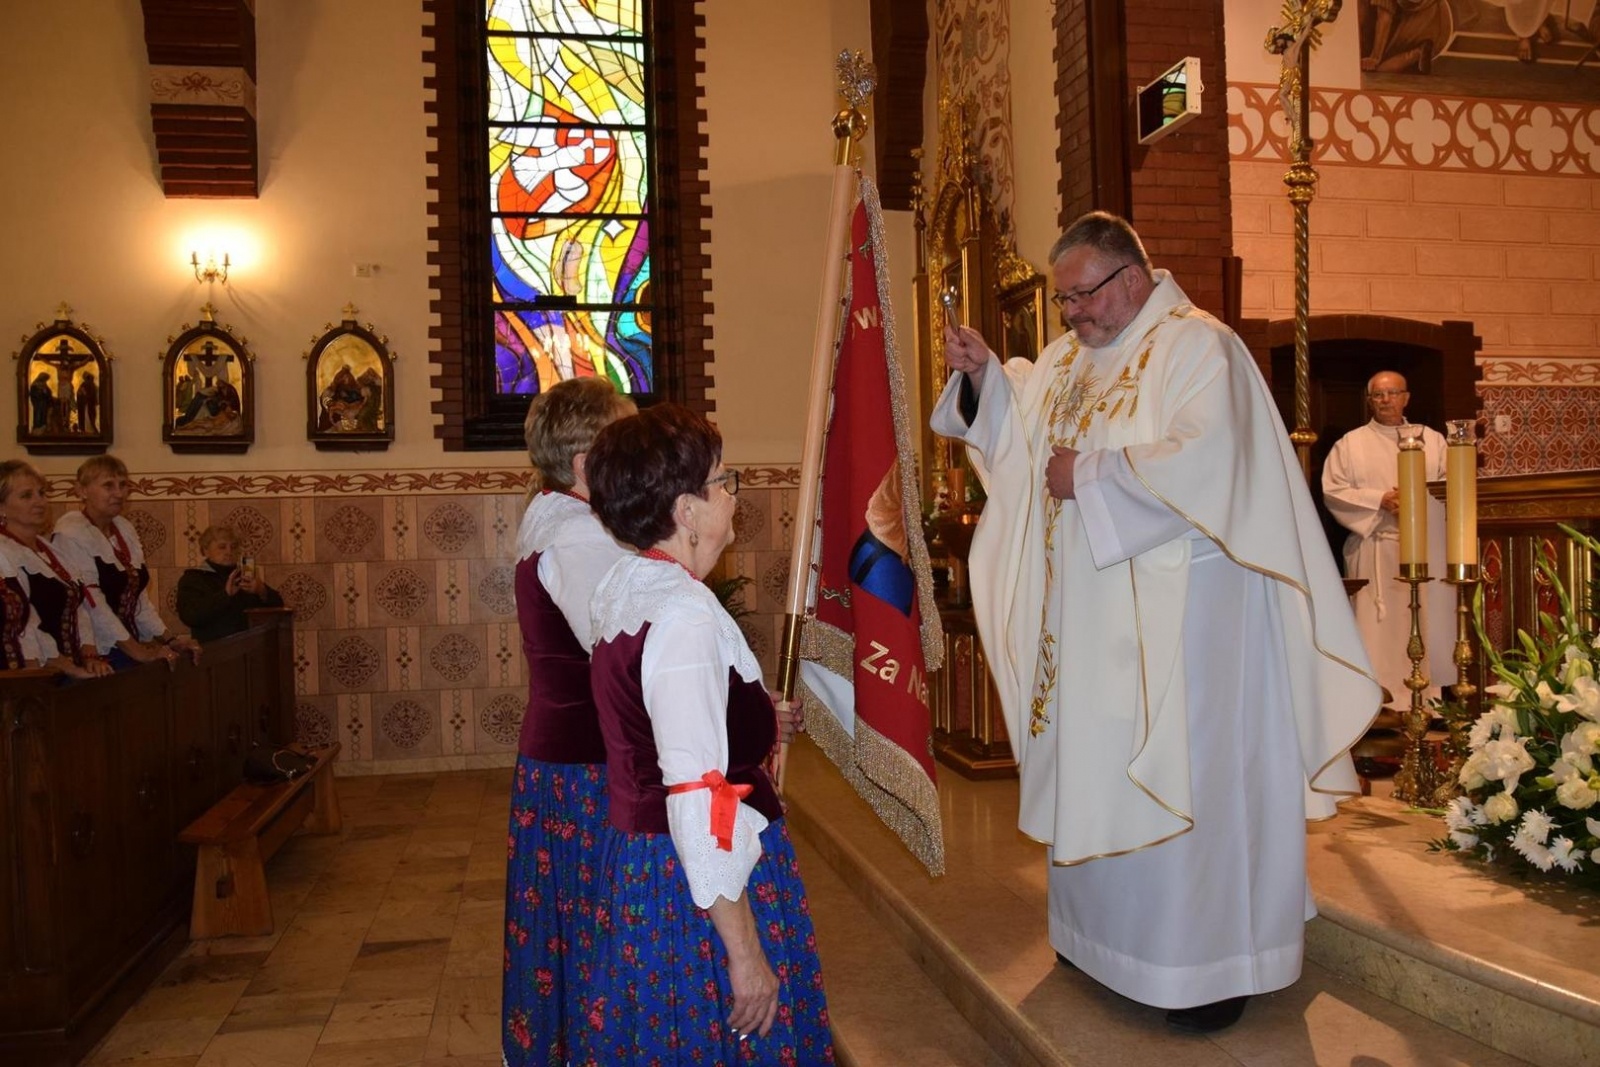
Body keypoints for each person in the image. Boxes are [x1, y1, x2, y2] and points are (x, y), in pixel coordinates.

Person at [931, 212, 1378, 1033]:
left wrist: (1092, 475)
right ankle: (1097, 939)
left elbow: (1209, 464)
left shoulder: (1200, 348)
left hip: (1187, 630)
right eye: (1063, 301)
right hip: (1089, 620)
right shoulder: (1072, 357)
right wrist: (987, 377)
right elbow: (1026, 441)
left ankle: (1202, 969)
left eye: (1081, 296)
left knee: (1180, 782)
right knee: (1093, 770)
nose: (1071, 315)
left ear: (1131, 276)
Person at [575, 404, 832, 1066]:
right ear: (685, 511)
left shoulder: (629, 586)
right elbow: (699, 795)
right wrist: (744, 953)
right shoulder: (683, 613)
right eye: (724, 480)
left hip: (646, 864)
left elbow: (651, 724)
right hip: (698, 888)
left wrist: (750, 724)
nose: (734, 493)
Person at [501, 377, 635, 1067]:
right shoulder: (578, 538)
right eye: (626, 438)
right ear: (587, 462)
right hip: (586, 767)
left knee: (570, 922)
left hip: (567, 758)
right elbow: (625, 652)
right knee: (593, 923)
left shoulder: (563, 519)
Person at [1321, 371, 1456, 706]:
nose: (1386, 401)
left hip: (1423, 546)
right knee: (1375, 629)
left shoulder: (1433, 440)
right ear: (1369, 401)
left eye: (1392, 393)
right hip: (1375, 546)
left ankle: (1427, 701)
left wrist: (1414, 499)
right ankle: (1377, 702)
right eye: (1378, 395)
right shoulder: (1350, 444)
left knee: (1423, 622)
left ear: (1406, 398)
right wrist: (1379, 499)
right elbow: (1333, 490)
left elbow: (1450, 484)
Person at [51, 455, 200, 668]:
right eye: (108, 486)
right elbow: (92, 602)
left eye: (123, 485)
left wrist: (169, 640)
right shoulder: (71, 533)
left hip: (124, 644)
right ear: (82, 490)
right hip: (93, 651)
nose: (119, 493)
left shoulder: (123, 529)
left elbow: (137, 599)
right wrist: (139, 652)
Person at [0, 460, 111, 679]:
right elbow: (27, 626)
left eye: (41, 493)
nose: (39, 502)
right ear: (1, 507)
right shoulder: (6, 553)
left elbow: (80, 605)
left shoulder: (49, 550)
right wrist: (68, 669)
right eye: (26, 496)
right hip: (29, 672)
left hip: (64, 668)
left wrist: (89, 654)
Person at [175, 525, 284, 642]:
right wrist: (225, 595)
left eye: (233, 547)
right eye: (222, 547)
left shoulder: (243, 576)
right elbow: (191, 617)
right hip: (215, 653)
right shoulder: (193, 579)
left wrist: (261, 590)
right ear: (205, 550)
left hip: (251, 650)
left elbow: (279, 607)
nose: (229, 552)